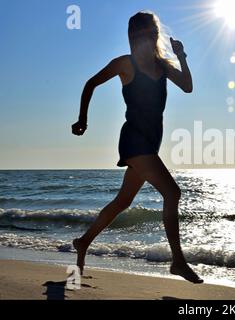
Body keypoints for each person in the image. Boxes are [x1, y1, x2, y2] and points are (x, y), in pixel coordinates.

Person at [71, 11, 203, 284]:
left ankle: (83, 242)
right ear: (132, 36)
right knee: (172, 192)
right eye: (142, 32)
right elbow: (90, 84)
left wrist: (182, 56)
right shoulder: (125, 63)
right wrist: (83, 119)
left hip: (151, 144)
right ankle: (178, 261)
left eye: (152, 32)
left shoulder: (163, 66)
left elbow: (188, 87)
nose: (148, 36)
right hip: (134, 140)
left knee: (123, 201)